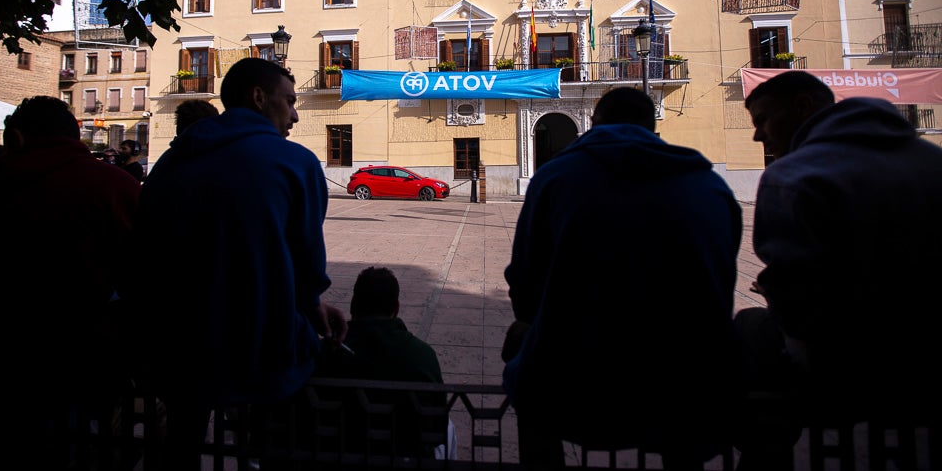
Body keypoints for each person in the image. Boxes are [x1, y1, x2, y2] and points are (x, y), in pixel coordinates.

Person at [502, 87, 743, 468]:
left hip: (579, 379)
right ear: (652, 126)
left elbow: (525, 281)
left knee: (525, 362)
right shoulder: (711, 185)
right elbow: (723, 279)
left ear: (593, 124)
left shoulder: (555, 177)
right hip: (686, 383)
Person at [125, 57, 347, 470]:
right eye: (290, 101)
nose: (296, 115)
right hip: (259, 345)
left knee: (182, 445)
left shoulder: (171, 162)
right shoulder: (294, 163)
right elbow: (306, 268)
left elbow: (144, 249)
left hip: (177, 347)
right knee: (269, 444)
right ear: (259, 97)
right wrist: (315, 306)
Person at [734, 71, 942, 469]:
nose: (759, 136)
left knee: (748, 328)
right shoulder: (932, 160)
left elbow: (796, 304)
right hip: (928, 360)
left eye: (762, 120)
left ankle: (762, 459)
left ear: (803, 108)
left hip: (849, 372)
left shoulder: (794, 175)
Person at [0, 96, 141, 469]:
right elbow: (147, 267)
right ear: (75, 136)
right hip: (86, 349)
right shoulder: (112, 185)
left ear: (16, 138)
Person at [317, 266, 453, 459]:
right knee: (450, 428)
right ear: (396, 308)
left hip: (337, 452)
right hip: (405, 454)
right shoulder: (422, 355)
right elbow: (437, 428)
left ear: (353, 305)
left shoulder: (324, 352)